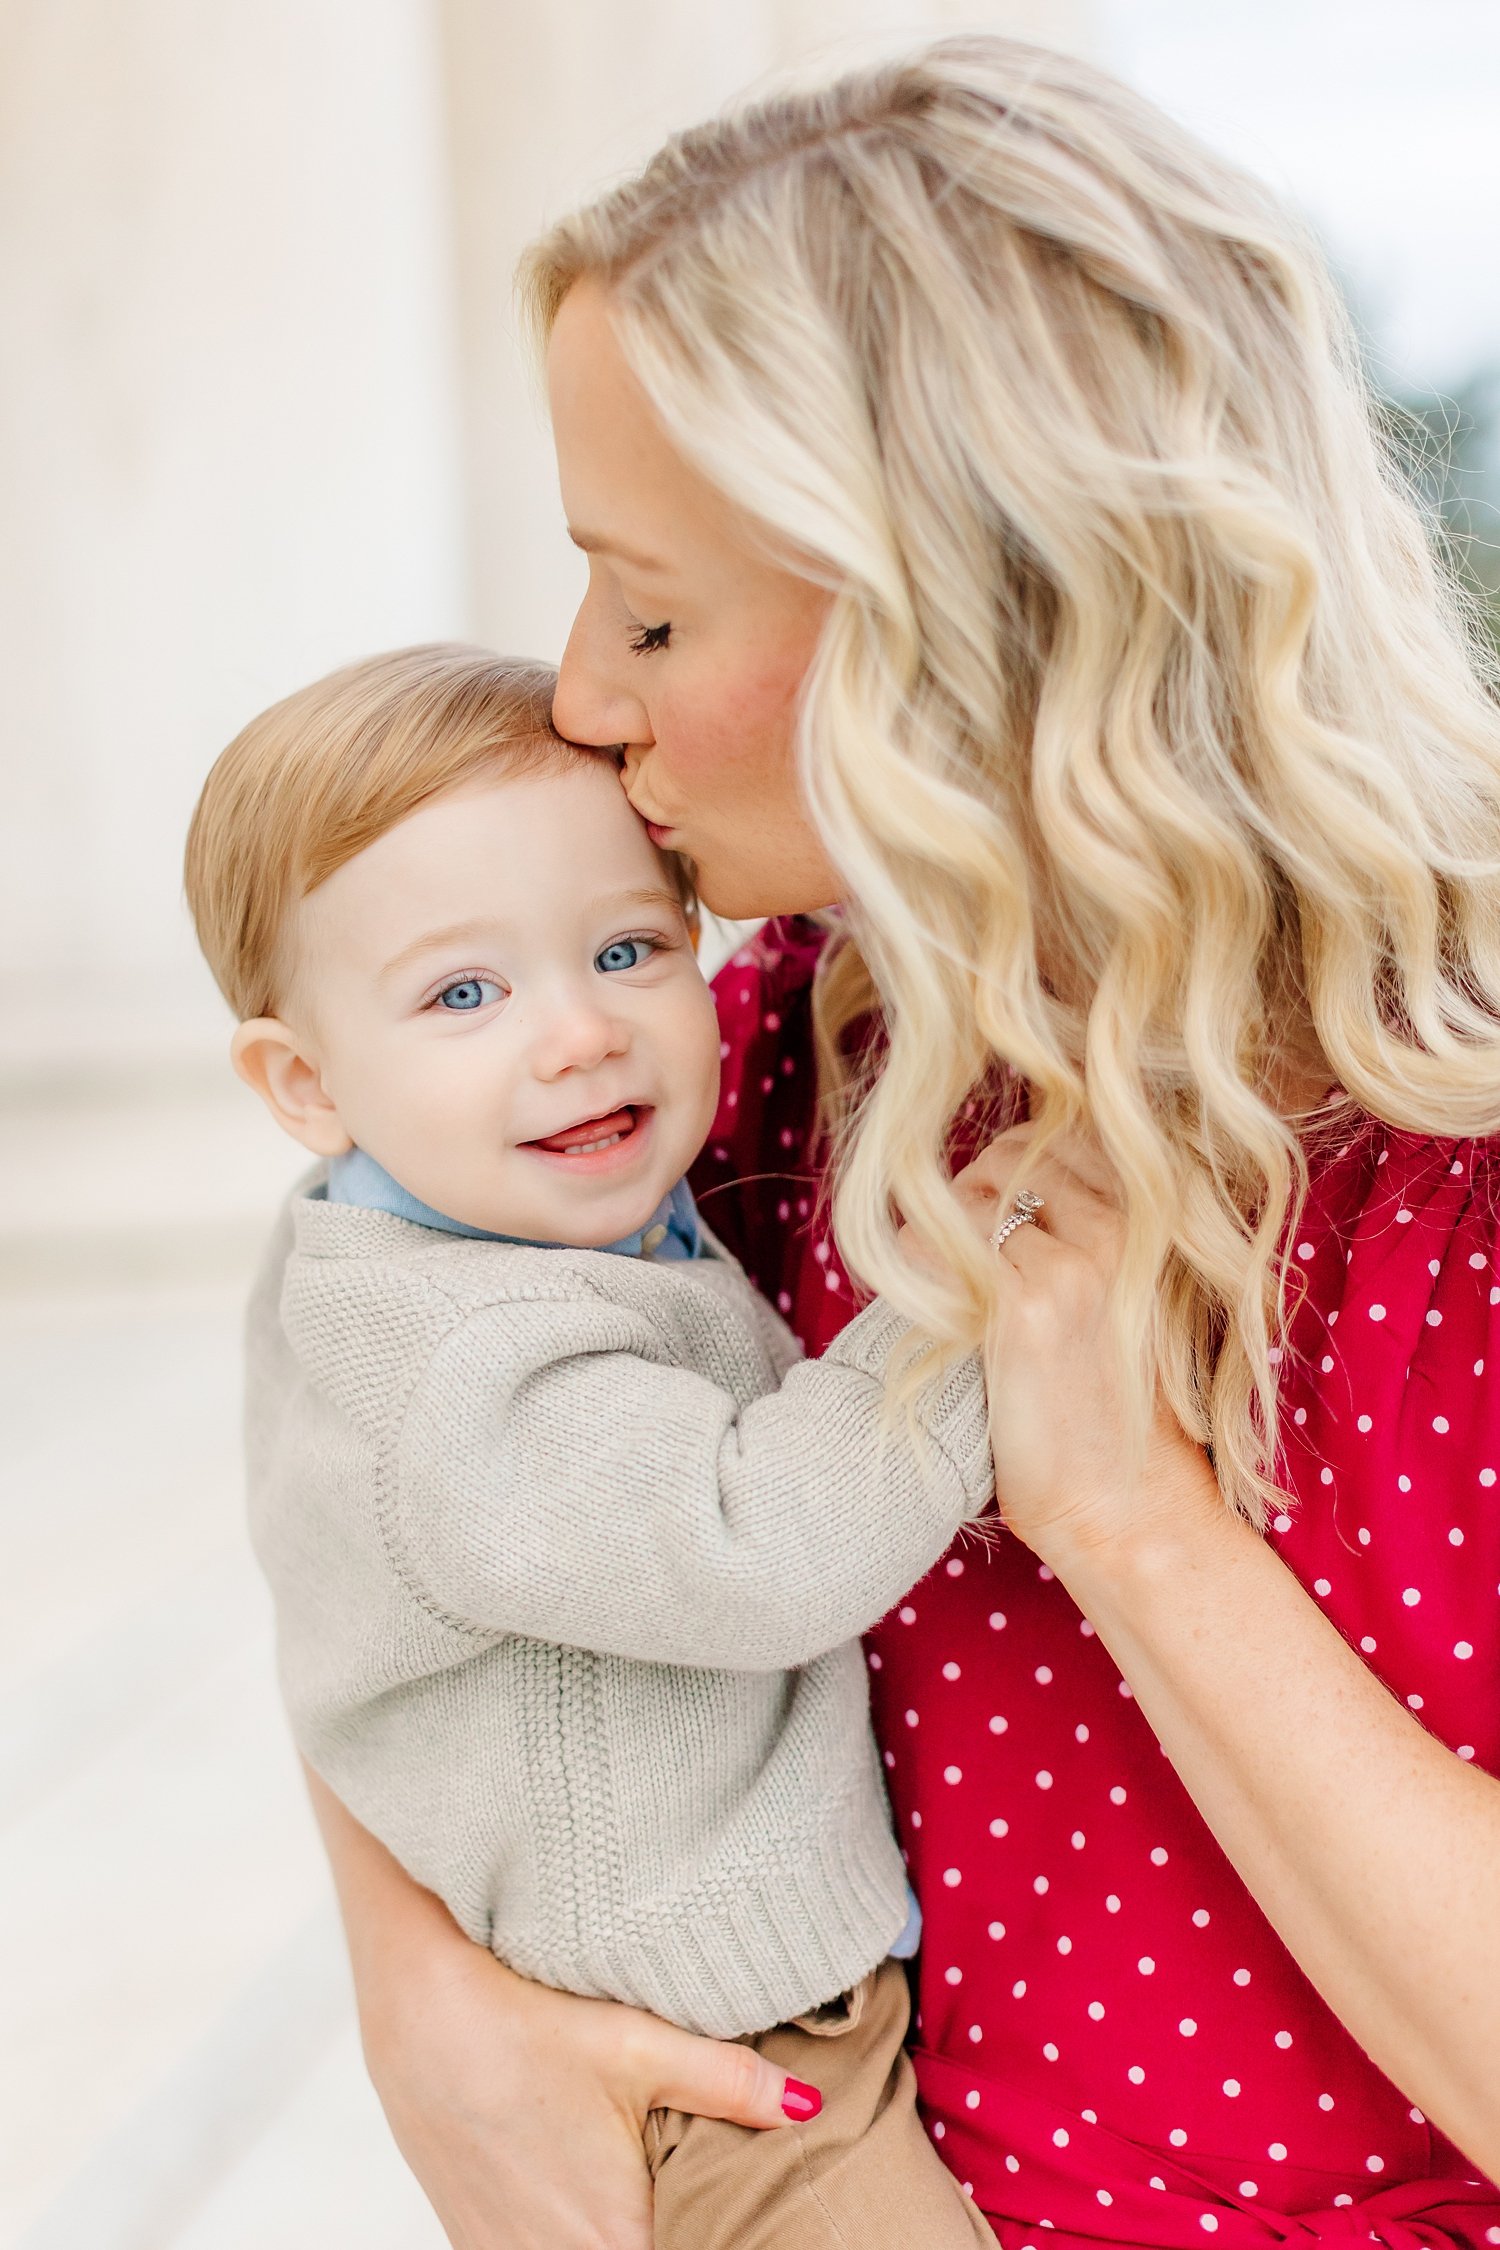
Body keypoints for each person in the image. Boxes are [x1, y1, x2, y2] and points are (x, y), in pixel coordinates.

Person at [294, 37, 1500, 2250]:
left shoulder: (1459, 1177)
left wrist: (1129, 1517)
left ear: (973, 618)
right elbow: (397, 1462)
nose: (580, 691)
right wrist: (417, 1983)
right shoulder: (762, 1062)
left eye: (652, 609)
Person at [184, 643, 1002, 2249]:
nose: (576, 1035)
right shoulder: (460, 1363)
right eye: (464, 993)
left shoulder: (440, 1225)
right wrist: (991, 1288)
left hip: (728, 2017)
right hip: (718, 2080)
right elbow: (759, 1541)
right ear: (304, 1081)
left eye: (628, 948)